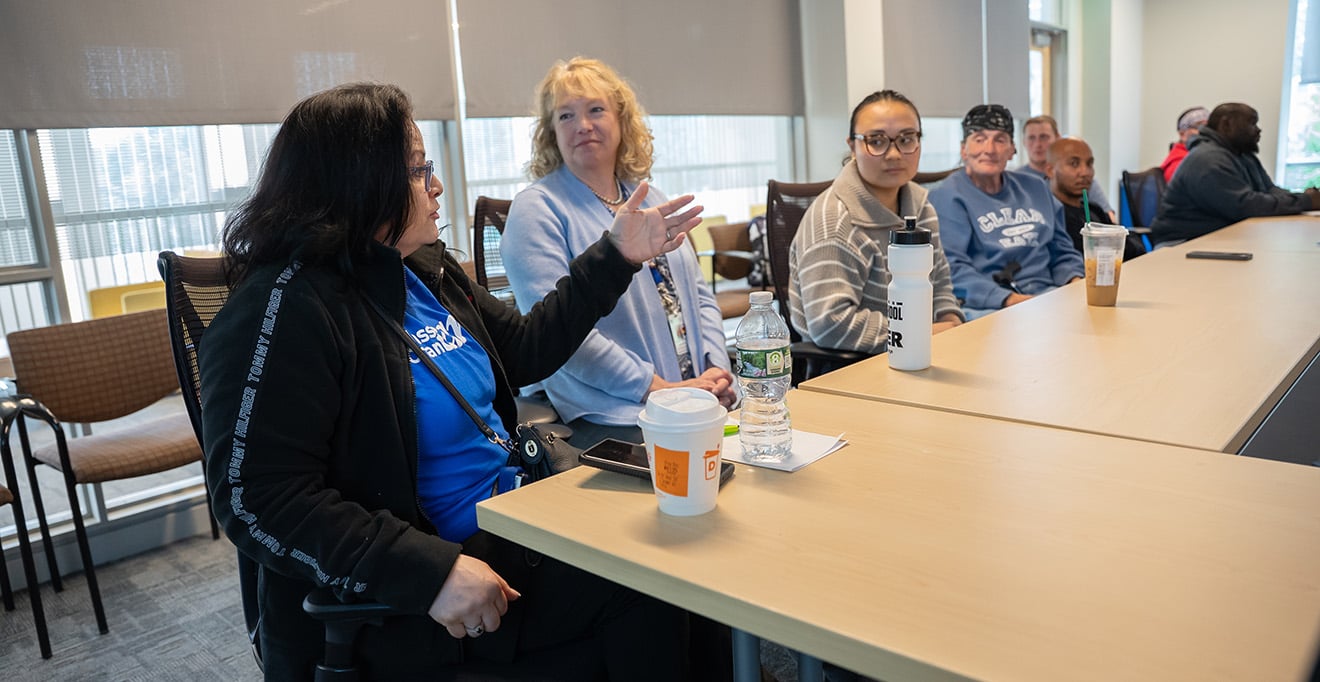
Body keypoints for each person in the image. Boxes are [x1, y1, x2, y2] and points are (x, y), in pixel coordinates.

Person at [200, 82, 707, 680]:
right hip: (427, 587)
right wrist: (429, 571)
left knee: (685, 547)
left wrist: (615, 256)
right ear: (359, 186)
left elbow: (522, 347)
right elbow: (256, 500)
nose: (436, 186)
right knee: (657, 586)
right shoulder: (283, 310)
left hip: (514, 517)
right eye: (418, 172)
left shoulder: (417, 269)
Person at [503, 57, 735, 448]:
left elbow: (698, 297)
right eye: (565, 116)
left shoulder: (649, 197)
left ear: (622, 120)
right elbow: (560, 335)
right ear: (550, 132)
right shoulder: (536, 210)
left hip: (695, 399)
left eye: (596, 110)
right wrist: (660, 390)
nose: (583, 125)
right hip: (613, 413)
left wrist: (716, 371)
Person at [787, 89, 963, 354]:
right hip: (853, 367)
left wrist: (953, 324)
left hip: (920, 351)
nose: (894, 154)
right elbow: (830, 325)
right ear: (853, 146)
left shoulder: (920, 205)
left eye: (906, 139)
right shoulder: (835, 222)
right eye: (877, 141)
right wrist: (921, 333)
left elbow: (939, 286)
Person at [929, 104, 1084, 319]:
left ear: (1012, 149)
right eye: (979, 139)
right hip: (989, 306)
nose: (990, 150)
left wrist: (1075, 284)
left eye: (1000, 140)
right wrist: (1012, 300)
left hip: (1048, 296)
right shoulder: (947, 196)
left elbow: (1062, 251)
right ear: (964, 149)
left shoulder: (1037, 188)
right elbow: (951, 269)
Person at [1150, 102, 1320, 247]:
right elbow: (1245, 206)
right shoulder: (1208, 159)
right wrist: (1306, 201)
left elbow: (1269, 190)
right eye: (1252, 123)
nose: (1258, 130)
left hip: (1217, 238)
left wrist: (1302, 199)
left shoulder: (1242, 155)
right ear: (1226, 125)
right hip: (1183, 243)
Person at [1046, 137, 1144, 260]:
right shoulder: (1051, 216)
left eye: (1089, 164)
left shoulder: (1093, 209)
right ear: (1050, 171)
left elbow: (1133, 244)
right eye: (1074, 164)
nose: (1085, 172)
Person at [1014, 114, 1116, 222]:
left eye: (1044, 137)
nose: (1037, 144)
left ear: (1057, 138)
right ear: (1023, 142)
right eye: (1031, 138)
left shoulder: (1081, 177)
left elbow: (1109, 219)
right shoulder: (1015, 181)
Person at [1160, 106, 1209, 182]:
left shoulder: (1204, 156)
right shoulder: (1179, 164)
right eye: (1199, 127)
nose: (1206, 131)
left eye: (1209, 127)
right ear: (1182, 134)